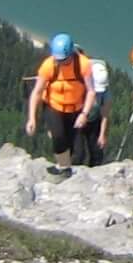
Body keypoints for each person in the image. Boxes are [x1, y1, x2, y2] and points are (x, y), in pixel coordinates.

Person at [25, 32, 94, 177]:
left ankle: (72, 170)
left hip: (76, 109)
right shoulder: (49, 66)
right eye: (58, 60)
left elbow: (91, 91)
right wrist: (32, 118)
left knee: (79, 151)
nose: (60, 63)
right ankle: (63, 168)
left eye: (63, 60)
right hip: (54, 106)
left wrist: (84, 114)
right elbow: (37, 92)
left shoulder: (83, 64)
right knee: (58, 137)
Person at [75, 51, 112, 167]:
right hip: (77, 121)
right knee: (78, 154)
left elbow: (105, 114)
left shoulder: (105, 93)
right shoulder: (79, 85)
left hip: (94, 121)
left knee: (97, 154)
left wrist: (102, 134)